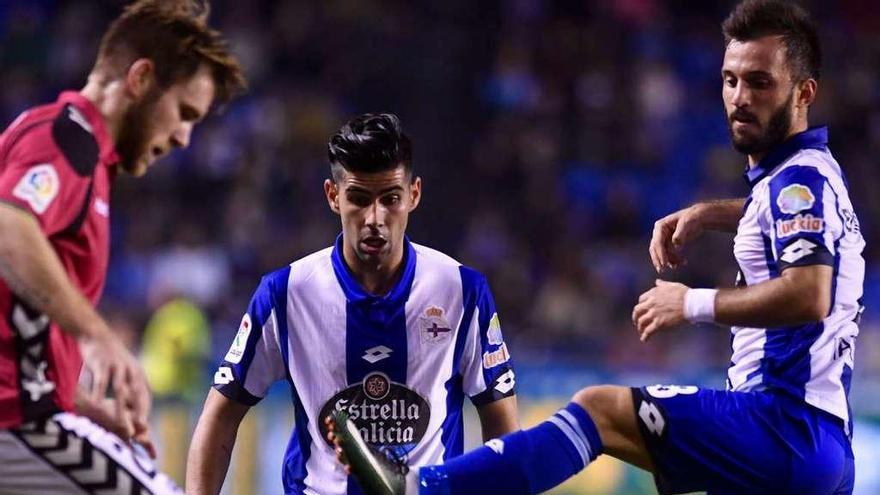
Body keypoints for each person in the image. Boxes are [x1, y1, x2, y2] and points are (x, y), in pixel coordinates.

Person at [328, 1, 863, 494]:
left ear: (805, 92)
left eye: (760, 82)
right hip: (816, 443)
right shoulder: (805, 180)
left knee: (600, 409)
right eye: (730, 80)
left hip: (783, 424)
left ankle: (421, 487)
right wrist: (711, 214)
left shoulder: (799, 185)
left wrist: (691, 303)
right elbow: (794, 231)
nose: (740, 98)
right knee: (639, 448)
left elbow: (809, 292)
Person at [186, 113, 520, 495]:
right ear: (333, 196)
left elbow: (503, 429)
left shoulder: (462, 290)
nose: (375, 218)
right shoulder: (286, 293)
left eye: (390, 199)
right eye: (359, 199)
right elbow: (219, 417)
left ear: (414, 195)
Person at [0, 1, 245, 493]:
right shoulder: (67, 140)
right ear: (140, 78)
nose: (183, 138)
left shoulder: (77, 156)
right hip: (17, 421)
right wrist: (97, 335)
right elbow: (8, 227)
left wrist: (84, 406)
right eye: (183, 113)